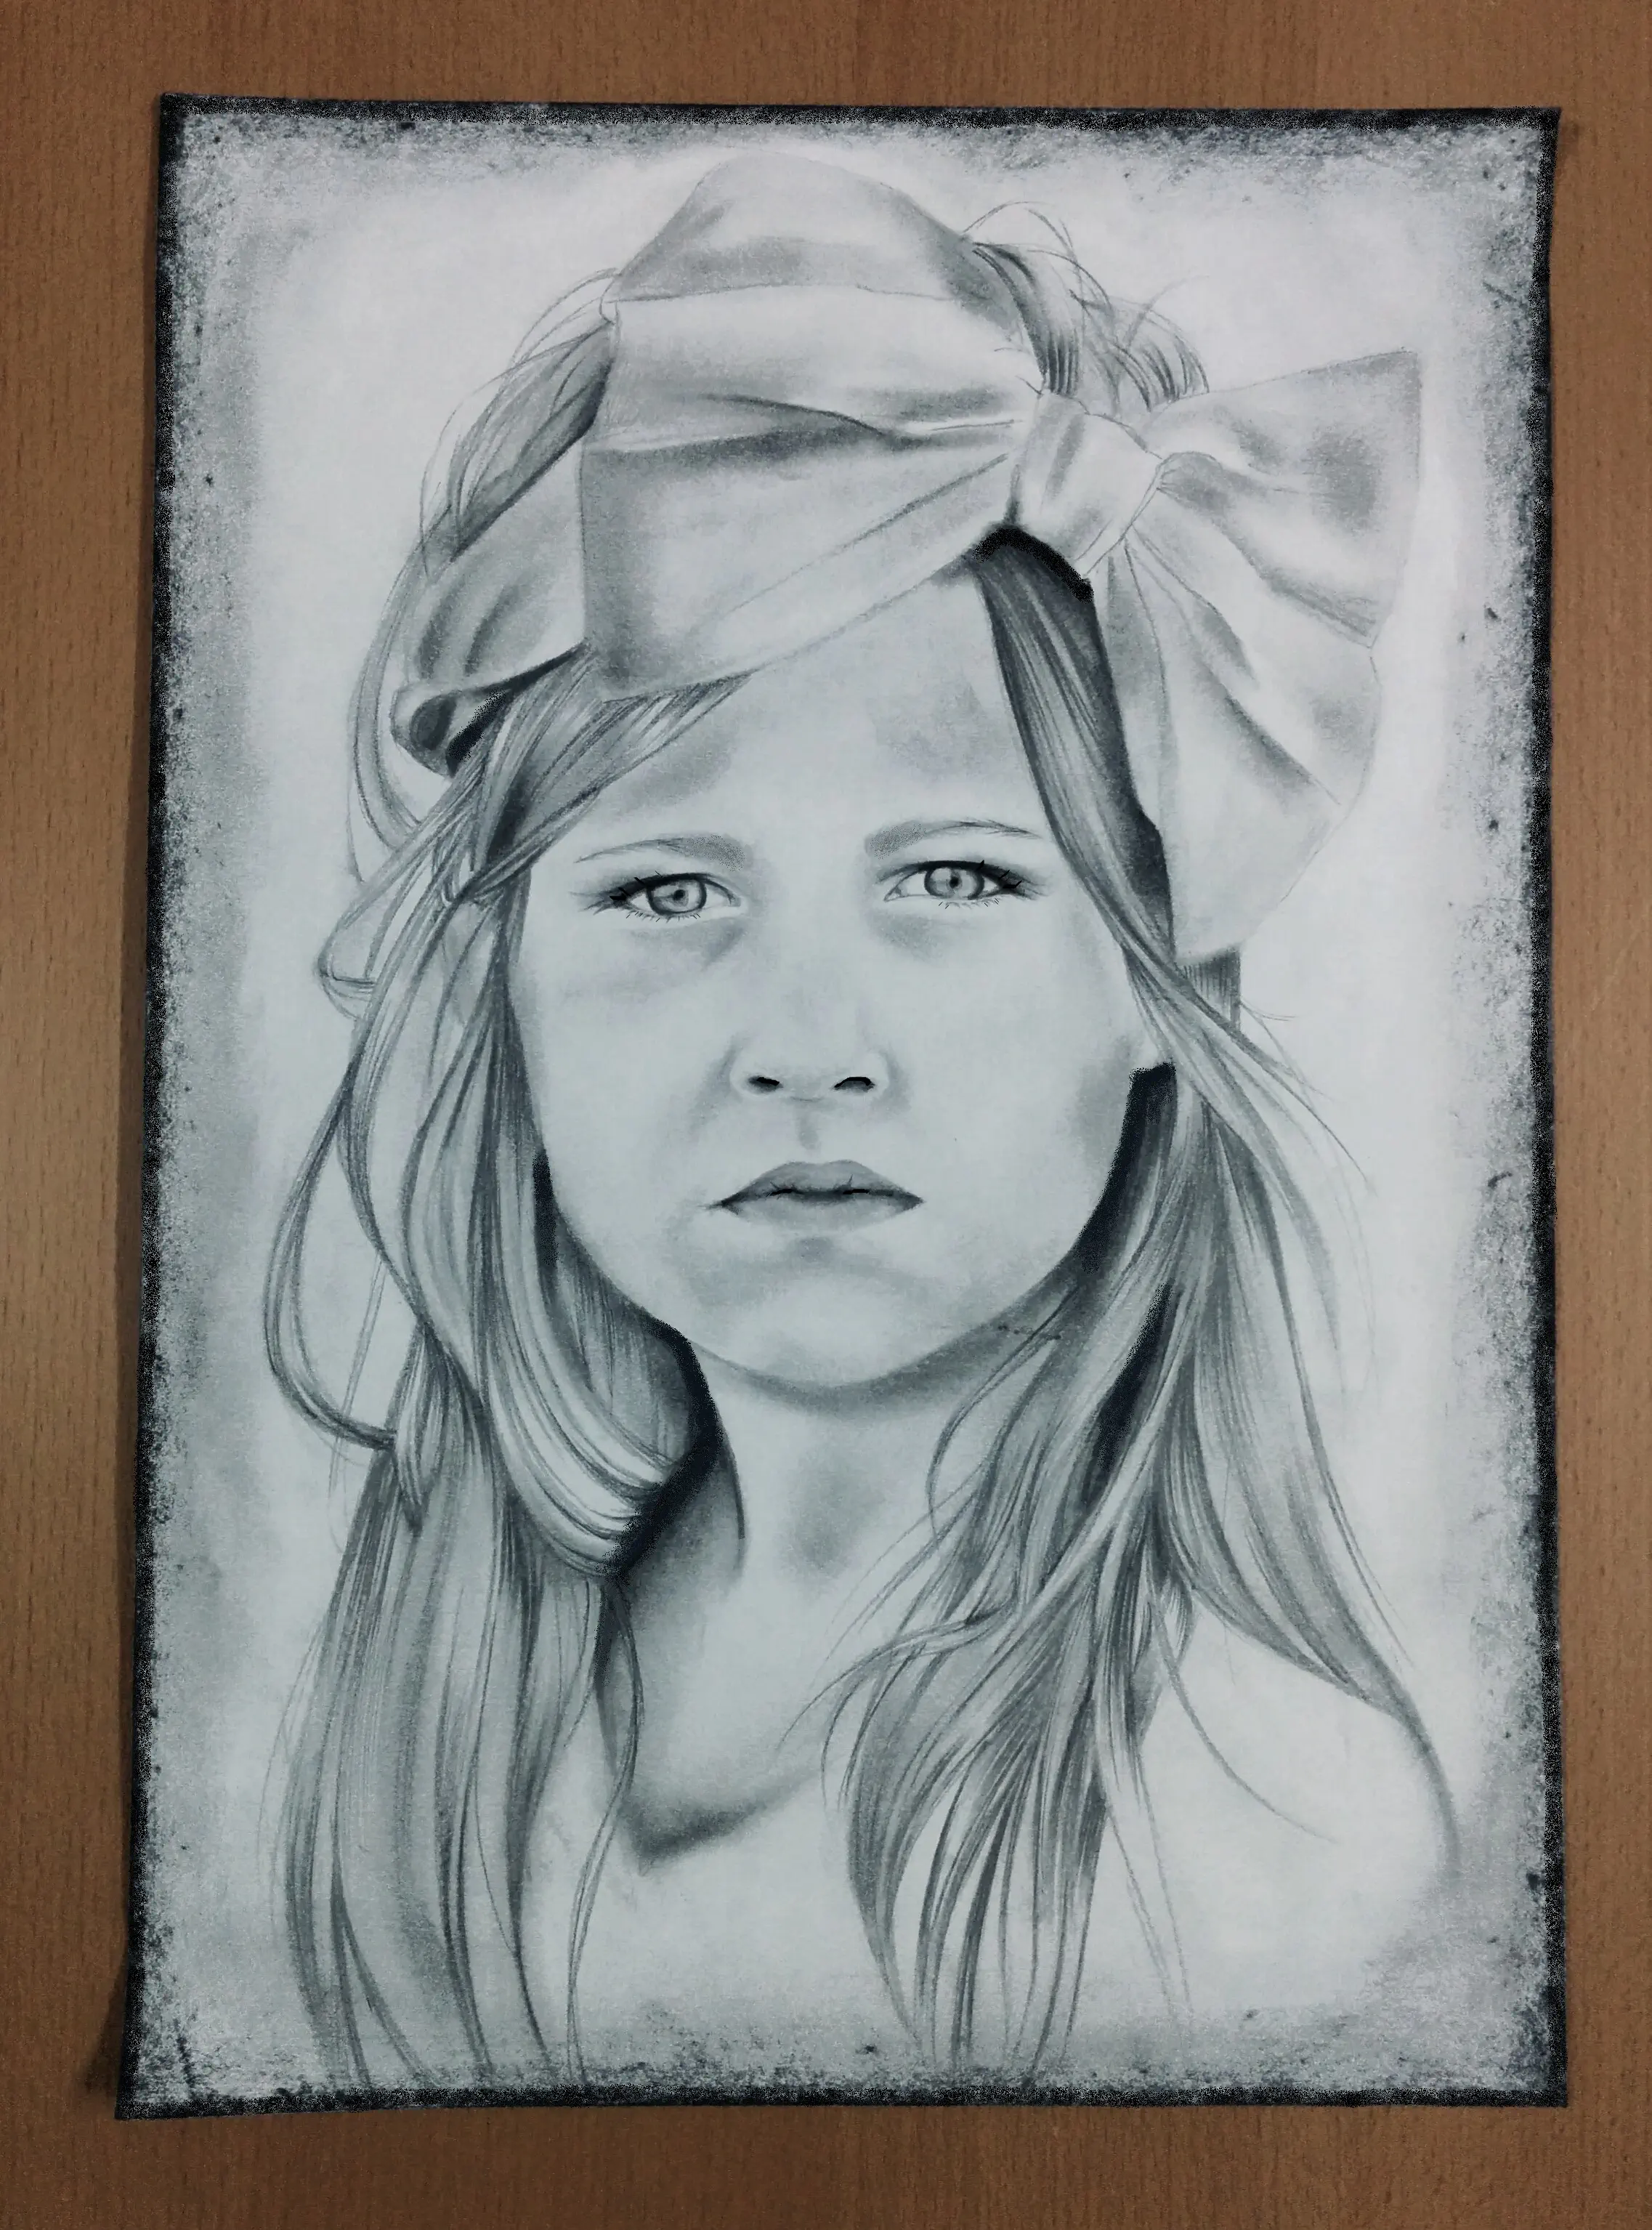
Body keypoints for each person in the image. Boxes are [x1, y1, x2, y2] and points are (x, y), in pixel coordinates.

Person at [267, 152, 1450, 2093]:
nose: (806, 1048)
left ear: (1160, 977)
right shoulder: (453, 1688)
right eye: (668, 890)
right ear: (504, 984)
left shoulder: (1271, 1814)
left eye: (954, 879)